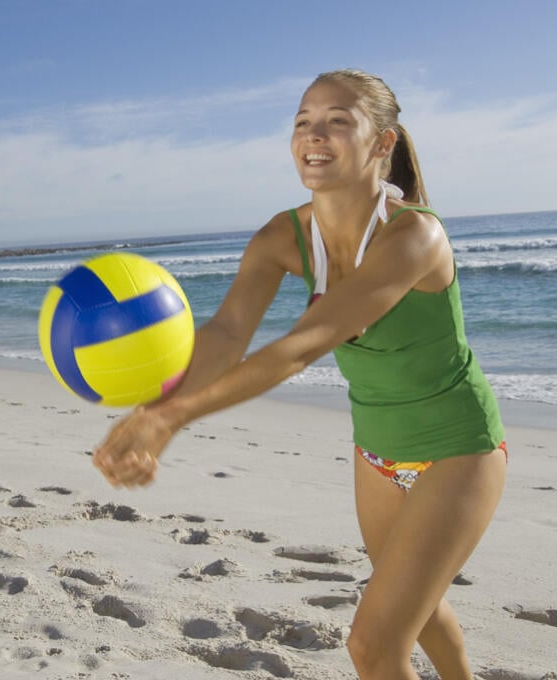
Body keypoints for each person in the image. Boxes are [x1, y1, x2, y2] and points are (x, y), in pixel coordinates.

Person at [91, 69, 507, 680]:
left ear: (382, 144)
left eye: (339, 121)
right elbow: (228, 334)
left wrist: (168, 417)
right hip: (378, 455)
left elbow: (303, 344)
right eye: (303, 122)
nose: (316, 135)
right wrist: (158, 413)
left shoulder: (414, 235)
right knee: (417, 607)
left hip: (459, 448)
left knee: (372, 644)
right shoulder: (281, 236)